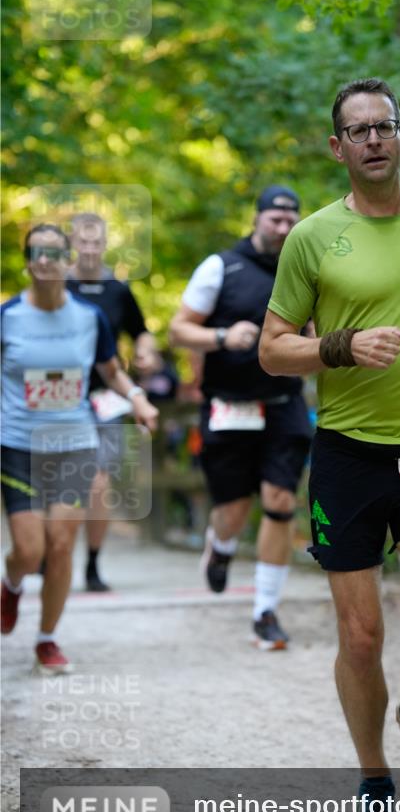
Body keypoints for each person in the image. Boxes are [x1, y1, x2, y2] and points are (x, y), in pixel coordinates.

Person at [259, 79, 400, 812]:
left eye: (383, 126)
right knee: (360, 637)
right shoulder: (312, 238)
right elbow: (271, 348)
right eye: (357, 131)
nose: (373, 139)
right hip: (349, 454)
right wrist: (339, 346)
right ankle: (374, 774)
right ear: (337, 148)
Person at [1, 224, 158, 674]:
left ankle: (47, 640)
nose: (45, 260)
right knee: (29, 550)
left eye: (54, 252)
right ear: (29, 261)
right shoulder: (7, 317)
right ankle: (11, 584)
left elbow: (111, 371)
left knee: (61, 543)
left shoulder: (89, 318)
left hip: (73, 442)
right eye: (37, 252)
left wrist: (138, 398)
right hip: (18, 445)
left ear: (66, 259)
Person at [169, 186, 312, 650]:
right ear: (257, 219)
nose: (284, 227)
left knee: (279, 501)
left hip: (283, 402)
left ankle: (265, 610)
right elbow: (178, 330)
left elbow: (316, 332)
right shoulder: (221, 267)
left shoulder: (306, 268)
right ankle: (222, 545)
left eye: (291, 219)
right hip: (229, 403)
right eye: (275, 218)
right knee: (232, 510)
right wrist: (223, 335)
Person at [66, 212, 157, 592]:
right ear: (73, 244)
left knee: (98, 483)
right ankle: (44, 551)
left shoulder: (118, 290)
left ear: (104, 244)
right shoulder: (55, 286)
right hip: (59, 397)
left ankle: (91, 563)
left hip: (106, 396)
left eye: (95, 242)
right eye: (82, 242)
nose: (89, 248)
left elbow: (142, 333)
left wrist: (146, 355)